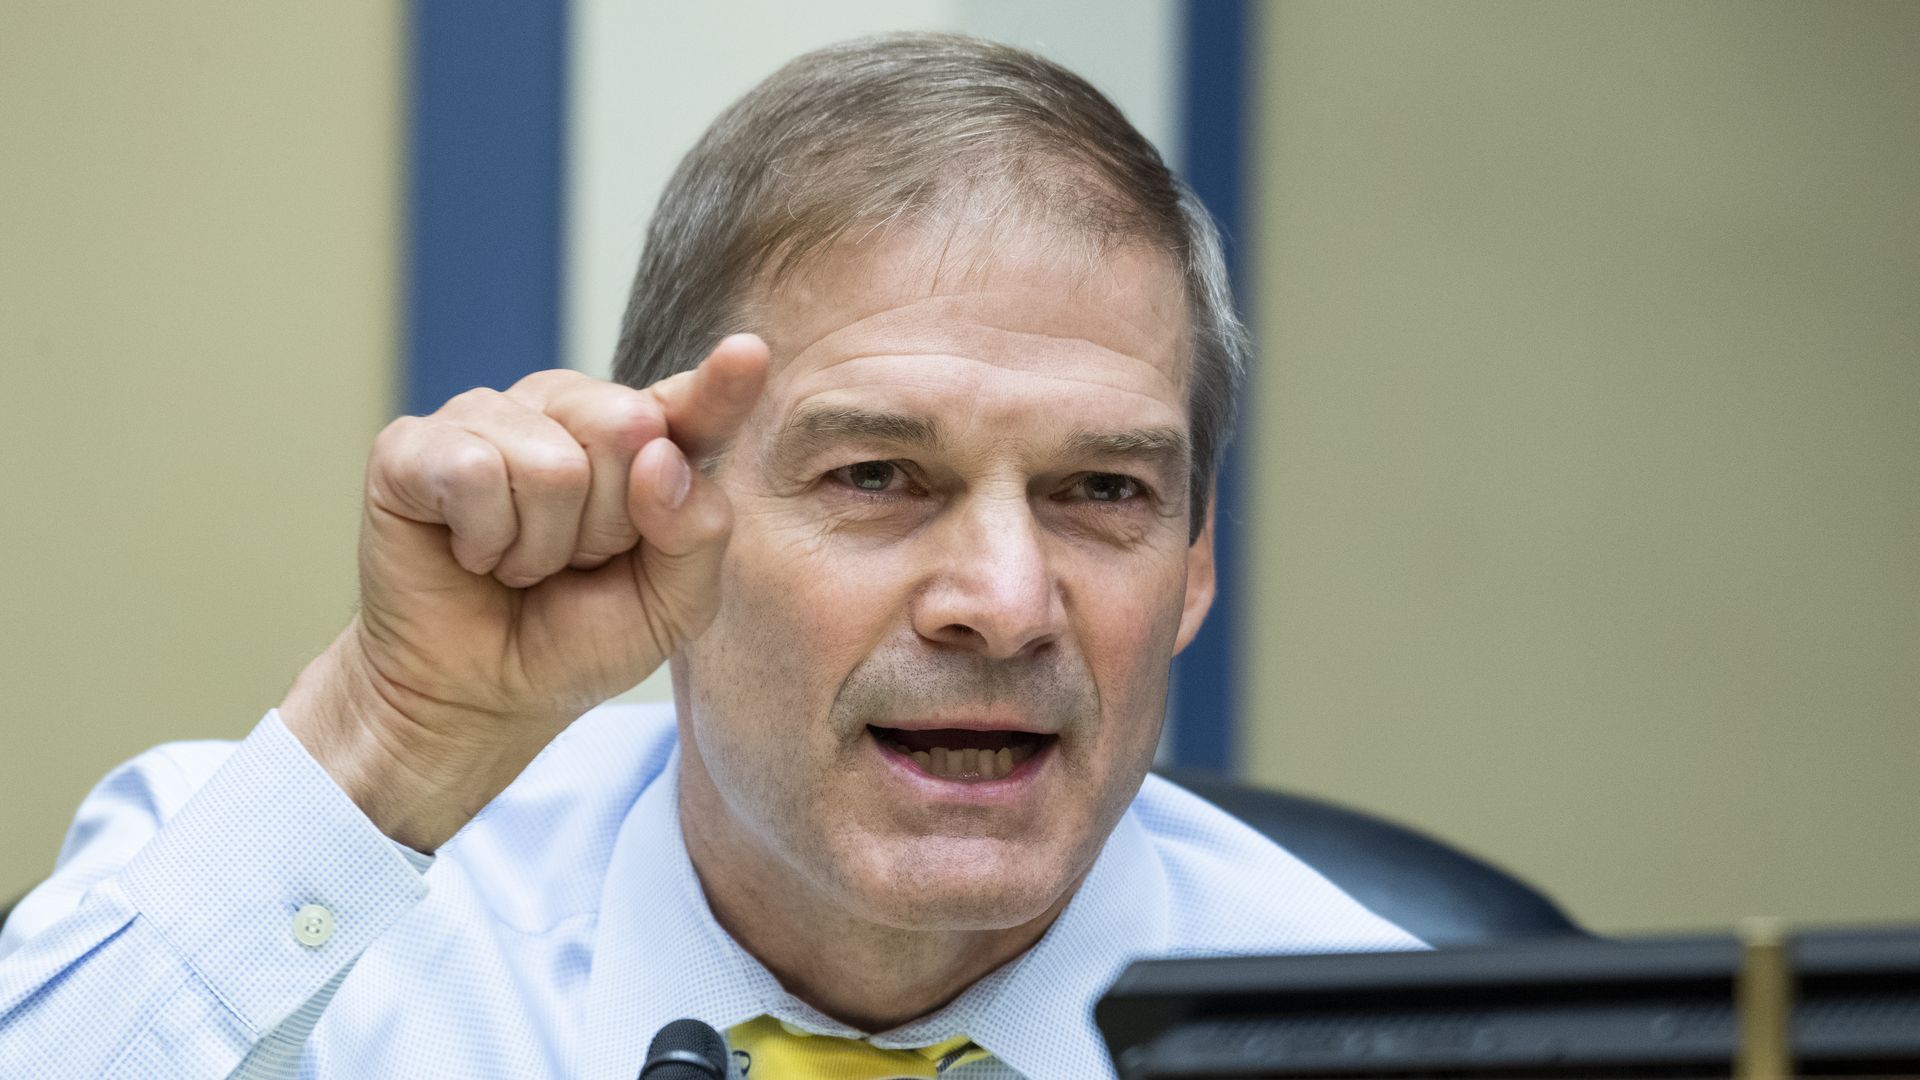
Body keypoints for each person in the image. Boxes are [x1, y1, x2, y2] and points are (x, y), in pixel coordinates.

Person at [0, 33, 1416, 1078]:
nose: (1004, 601)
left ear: (1195, 563)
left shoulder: (1392, 1038)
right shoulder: (294, 904)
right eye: (878, 475)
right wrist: (387, 739)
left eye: (1102, 490)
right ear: (656, 511)